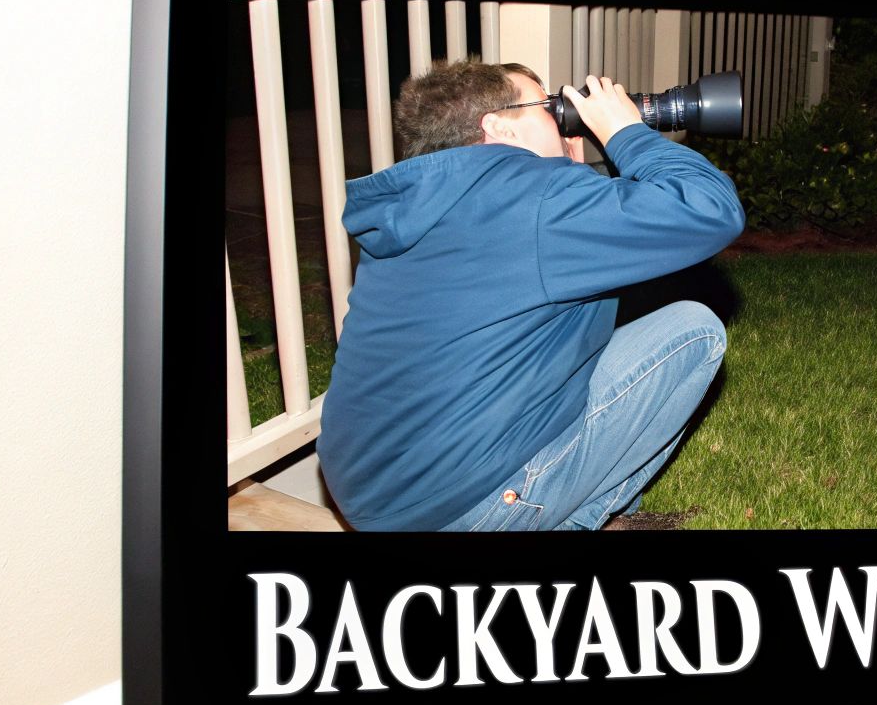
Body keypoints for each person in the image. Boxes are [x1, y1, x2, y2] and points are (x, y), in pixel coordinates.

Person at [316, 61, 745, 531]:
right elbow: (711, 209)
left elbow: (536, 244)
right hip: (464, 512)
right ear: (499, 126)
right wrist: (626, 133)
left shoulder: (426, 205)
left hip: (370, 496)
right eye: (546, 105)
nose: (562, 116)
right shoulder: (538, 202)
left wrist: (567, 170)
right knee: (692, 332)